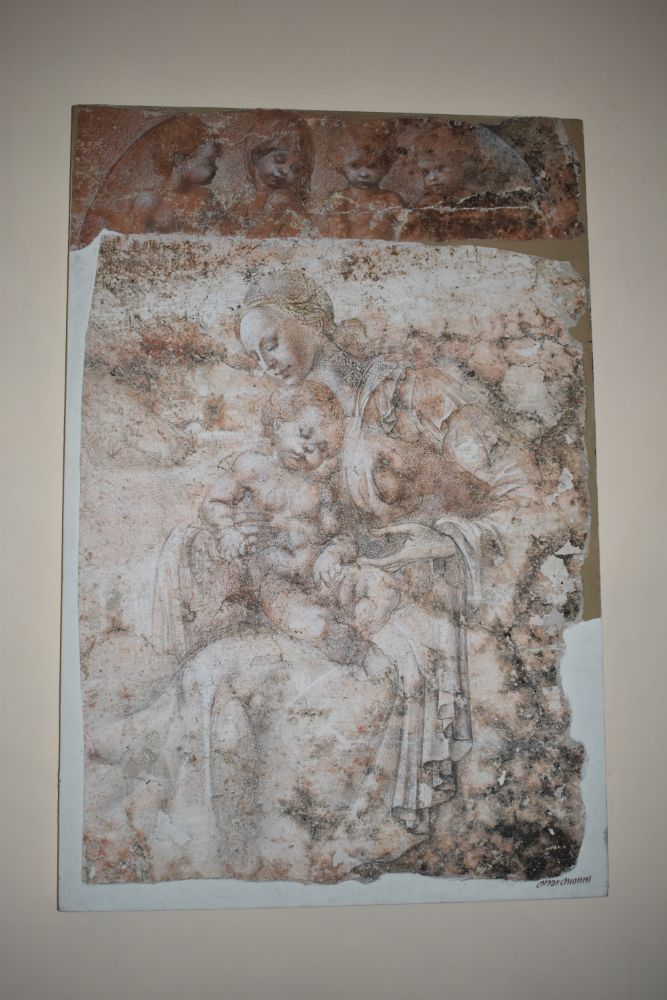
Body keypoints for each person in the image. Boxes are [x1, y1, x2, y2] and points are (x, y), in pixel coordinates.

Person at [237, 269, 541, 833]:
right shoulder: (299, 425)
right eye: (253, 356)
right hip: (356, 599)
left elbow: (528, 495)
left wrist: (442, 541)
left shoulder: (408, 387)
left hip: (434, 597)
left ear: (311, 319)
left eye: (271, 342)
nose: (265, 364)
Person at [78, 114, 220, 245]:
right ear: (180, 159)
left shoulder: (193, 196)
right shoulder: (150, 197)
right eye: (207, 162)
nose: (215, 168)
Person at [317, 124, 404, 240]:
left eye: (372, 166)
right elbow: (333, 235)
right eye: (354, 166)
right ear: (340, 165)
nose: (363, 174)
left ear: (385, 167)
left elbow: (406, 230)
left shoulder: (390, 199)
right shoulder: (339, 199)